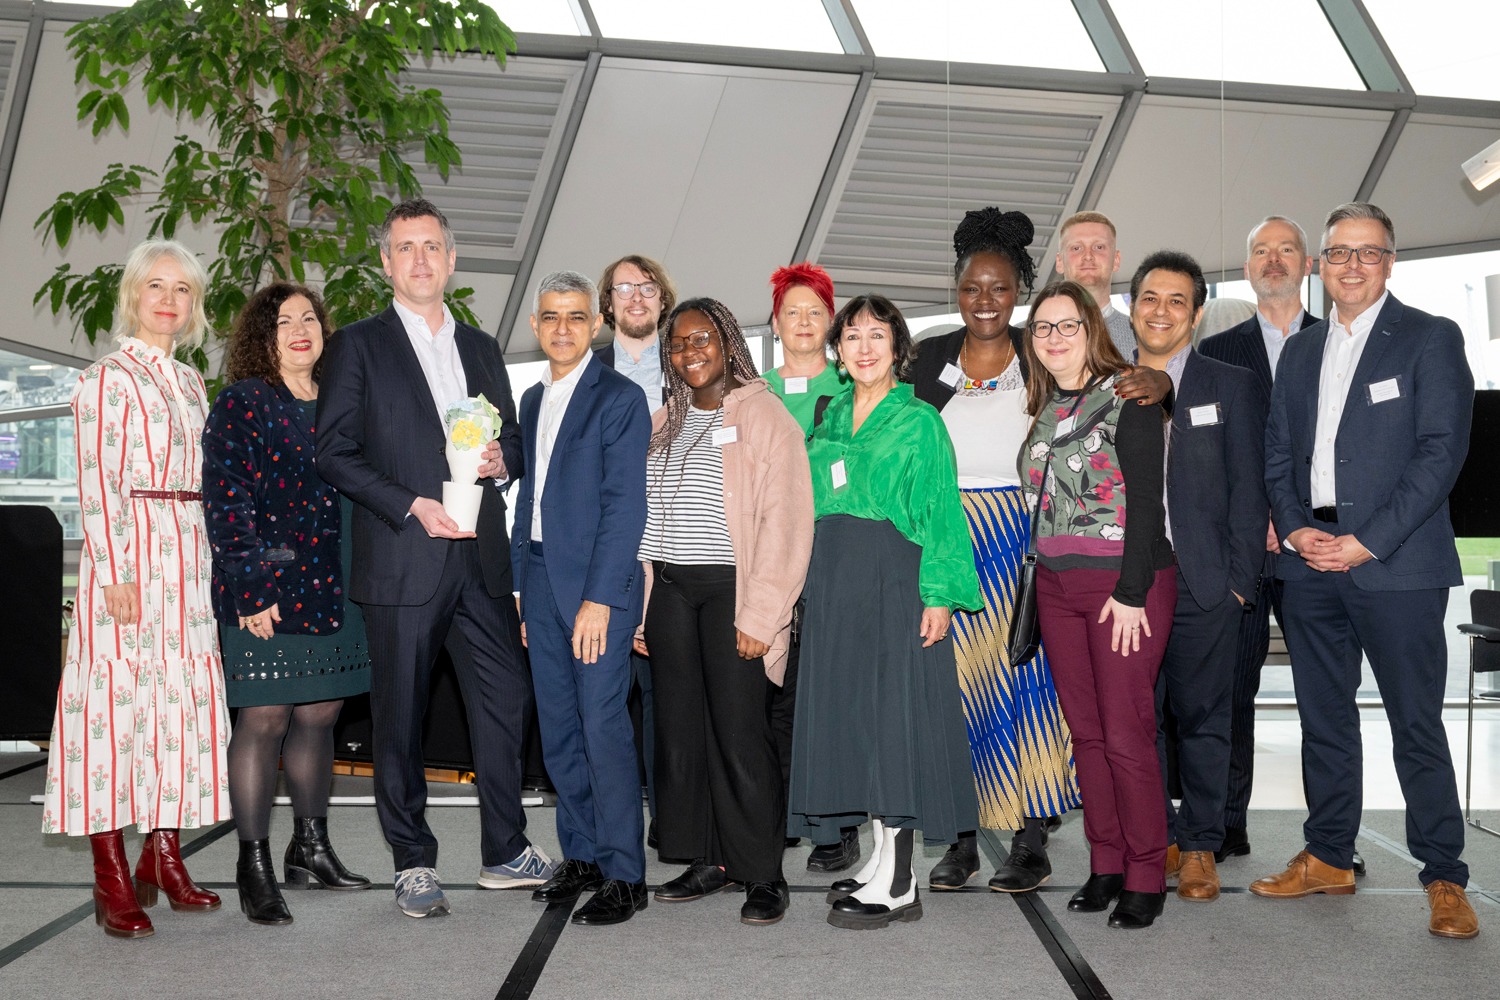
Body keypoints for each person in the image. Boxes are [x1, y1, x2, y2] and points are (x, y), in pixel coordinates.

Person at [911, 208, 1170, 894]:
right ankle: (963, 836)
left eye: (999, 288)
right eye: (972, 288)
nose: (986, 301)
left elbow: (1112, 386)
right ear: (957, 292)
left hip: (1028, 543)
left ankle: (1031, 837)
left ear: (1019, 291)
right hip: (951, 542)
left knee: (1032, 695)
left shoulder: (1044, 348)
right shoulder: (931, 356)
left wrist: (1162, 382)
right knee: (961, 693)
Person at [316, 198, 554, 918]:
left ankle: (504, 849)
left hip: (478, 560)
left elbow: (514, 440)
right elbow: (334, 452)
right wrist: (409, 502)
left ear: (451, 261)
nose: (419, 259)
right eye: (404, 247)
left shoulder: (483, 347)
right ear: (386, 263)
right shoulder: (358, 345)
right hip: (402, 556)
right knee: (401, 715)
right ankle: (413, 861)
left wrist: (499, 461)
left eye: (431, 247)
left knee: (506, 698)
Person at [1252, 203, 1478, 940]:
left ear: (1390, 261)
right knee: (1324, 720)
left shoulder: (1430, 339)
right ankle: (1328, 855)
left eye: (1368, 252)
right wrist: (1293, 528)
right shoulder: (1303, 351)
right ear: (1319, 263)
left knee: (1416, 725)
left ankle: (1444, 874)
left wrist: (1365, 543)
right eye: (1339, 253)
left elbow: (1440, 455)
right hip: (1310, 564)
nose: (1352, 265)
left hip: (1398, 565)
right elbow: (1279, 451)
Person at [42, 239, 229, 938]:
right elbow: (95, 482)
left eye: (183, 289)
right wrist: (117, 570)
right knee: (113, 715)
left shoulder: (188, 383)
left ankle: (164, 856)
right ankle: (110, 871)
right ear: (133, 295)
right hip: (129, 559)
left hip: (188, 555)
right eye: (157, 286)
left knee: (177, 708)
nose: (170, 300)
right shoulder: (104, 379)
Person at [789, 294, 982, 930]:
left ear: (897, 347)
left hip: (893, 580)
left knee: (893, 719)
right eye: (853, 337)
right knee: (859, 723)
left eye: (877, 336)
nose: (864, 347)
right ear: (838, 351)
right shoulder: (829, 418)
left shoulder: (920, 420)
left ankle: (900, 882)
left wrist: (939, 595)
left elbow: (942, 511)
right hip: (836, 585)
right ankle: (879, 860)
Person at [635, 297, 814, 926]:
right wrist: (644, 607)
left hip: (735, 592)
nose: (691, 352)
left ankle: (762, 871)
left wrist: (762, 616)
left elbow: (787, 525)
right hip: (673, 594)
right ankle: (709, 859)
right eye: (679, 344)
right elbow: (647, 523)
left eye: (702, 337)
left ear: (728, 341)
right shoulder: (665, 422)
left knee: (741, 735)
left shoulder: (765, 416)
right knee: (682, 733)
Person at [202, 283, 373, 925]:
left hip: (339, 584)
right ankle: (254, 865)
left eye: (309, 318)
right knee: (265, 718)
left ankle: (311, 848)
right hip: (267, 592)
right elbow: (226, 500)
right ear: (260, 336)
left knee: (320, 716)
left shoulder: (341, 402)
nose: (300, 328)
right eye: (283, 321)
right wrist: (248, 586)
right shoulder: (244, 402)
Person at [1020, 280, 1176, 930]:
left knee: (1126, 735)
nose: (1055, 338)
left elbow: (1145, 502)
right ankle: (1106, 863)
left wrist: (1133, 592)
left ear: (1092, 329)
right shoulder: (1046, 407)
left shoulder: (1131, 395)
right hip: (1056, 589)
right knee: (1085, 734)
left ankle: (1146, 873)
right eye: (1043, 328)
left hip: (1124, 589)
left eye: (1068, 326)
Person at [512, 270, 652, 926]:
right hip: (539, 580)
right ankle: (584, 854)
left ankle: (625, 870)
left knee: (602, 728)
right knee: (560, 728)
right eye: (550, 317)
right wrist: (518, 589)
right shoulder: (533, 401)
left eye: (574, 316)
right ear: (536, 327)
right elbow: (528, 501)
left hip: (598, 587)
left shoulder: (619, 399)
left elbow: (626, 507)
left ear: (594, 324)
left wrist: (600, 599)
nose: (562, 328)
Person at [1129, 252, 1267, 904]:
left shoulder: (1229, 385)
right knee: (1140, 720)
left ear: (1197, 312)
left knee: (1204, 719)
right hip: (1125, 584)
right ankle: (1160, 839)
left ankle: (1203, 845)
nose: (1161, 310)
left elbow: (1249, 490)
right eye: (1150, 297)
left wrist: (1242, 581)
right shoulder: (1105, 383)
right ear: (1132, 307)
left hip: (1203, 581)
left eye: (1176, 300)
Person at [1196, 216, 1320, 867]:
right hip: (1243, 551)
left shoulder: (1339, 346)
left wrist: (1295, 517)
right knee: (1231, 690)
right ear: (1247, 269)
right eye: (1261, 252)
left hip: (1318, 554)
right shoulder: (1216, 353)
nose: (1273, 260)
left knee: (1325, 699)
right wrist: (1256, 518)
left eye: (1285, 250)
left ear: (1307, 264)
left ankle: (1332, 835)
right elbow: (1212, 457)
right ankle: (1224, 823)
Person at [762, 262, 858, 873]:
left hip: (831, 562)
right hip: (766, 565)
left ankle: (835, 825)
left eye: (814, 312)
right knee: (770, 696)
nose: (802, 321)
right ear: (775, 323)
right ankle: (776, 815)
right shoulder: (752, 393)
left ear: (830, 323)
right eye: (791, 311)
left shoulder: (854, 392)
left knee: (830, 694)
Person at [593, 253, 678, 838]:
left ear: (662, 299)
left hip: (673, 552)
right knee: (602, 697)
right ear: (608, 305)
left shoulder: (690, 367)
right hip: (603, 552)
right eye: (624, 288)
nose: (637, 297)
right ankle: (610, 820)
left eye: (647, 287)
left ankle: (668, 823)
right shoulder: (583, 370)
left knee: (666, 697)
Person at [1055, 211, 1134, 358]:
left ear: (1116, 260)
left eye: (1099, 247)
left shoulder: (1142, 339)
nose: (1088, 256)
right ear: (1059, 262)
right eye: (1076, 248)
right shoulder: (1025, 335)